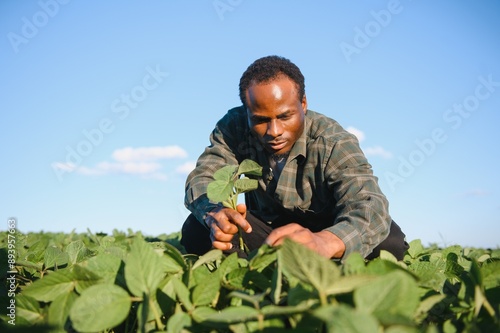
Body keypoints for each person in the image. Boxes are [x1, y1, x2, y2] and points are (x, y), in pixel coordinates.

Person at [181, 55, 409, 261]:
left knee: (390, 243)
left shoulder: (333, 141)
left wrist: (326, 241)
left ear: (303, 104)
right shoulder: (233, 127)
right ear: (247, 112)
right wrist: (215, 215)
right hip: (268, 233)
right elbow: (203, 177)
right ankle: (256, 275)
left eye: (285, 116)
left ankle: (321, 266)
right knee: (198, 228)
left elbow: (369, 202)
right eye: (260, 120)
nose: (274, 131)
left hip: (325, 231)